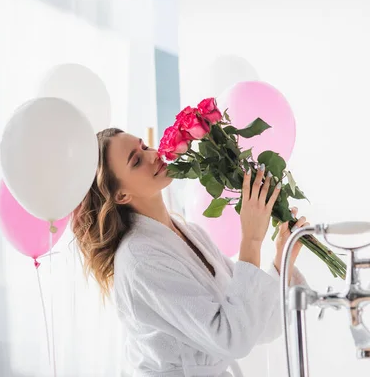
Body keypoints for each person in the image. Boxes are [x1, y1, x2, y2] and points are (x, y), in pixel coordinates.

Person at [72, 128, 308, 377]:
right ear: (121, 195)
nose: (152, 155)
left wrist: (283, 259)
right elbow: (233, 338)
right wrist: (252, 239)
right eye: (137, 160)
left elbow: (255, 325)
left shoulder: (188, 232)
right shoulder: (139, 260)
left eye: (144, 147)